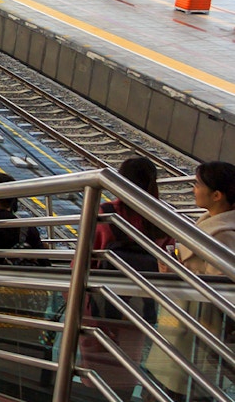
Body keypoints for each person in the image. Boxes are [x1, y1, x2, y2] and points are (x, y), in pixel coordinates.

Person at [79, 157, 166, 399]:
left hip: (100, 306)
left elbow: (84, 259)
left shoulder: (105, 212)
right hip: (140, 307)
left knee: (95, 377)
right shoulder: (163, 217)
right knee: (125, 373)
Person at [146, 161, 235, 397]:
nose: (193, 189)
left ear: (216, 195)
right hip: (186, 329)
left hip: (197, 333)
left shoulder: (225, 235)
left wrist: (178, 271)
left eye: (197, 184)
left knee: (174, 391)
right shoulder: (213, 221)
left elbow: (221, 291)